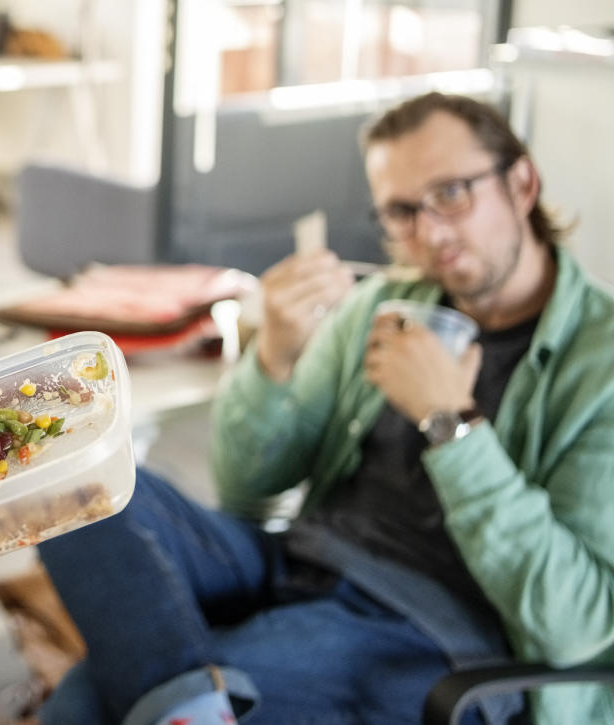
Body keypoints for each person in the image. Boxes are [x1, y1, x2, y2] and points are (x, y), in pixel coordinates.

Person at [35, 91, 614, 725]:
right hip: (300, 559)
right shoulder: (385, 304)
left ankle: (191, 703)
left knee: (88, 701)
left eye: (451, 193)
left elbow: (575, 623)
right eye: (401, 211)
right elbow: (248, 487)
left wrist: (452, 424)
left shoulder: (601, 364)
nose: (430, 233)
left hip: (430, 631)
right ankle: (194, 707)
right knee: (73, 478)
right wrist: (275, 355)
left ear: (522, 183)